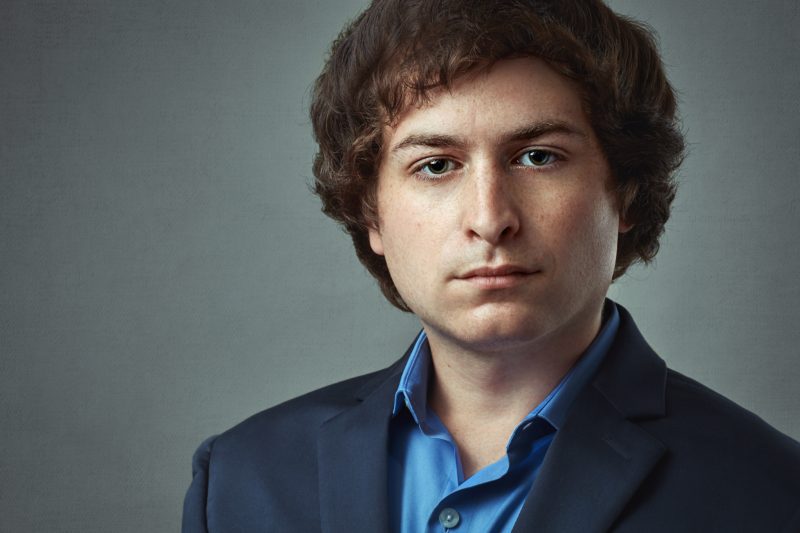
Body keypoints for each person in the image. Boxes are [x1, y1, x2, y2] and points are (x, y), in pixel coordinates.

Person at [182, 0, 800, 531]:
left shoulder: (772, 493)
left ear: (627, 192)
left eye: (537, 156)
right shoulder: (241, 479)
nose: (490, 217)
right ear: (371, 214)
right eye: (436, 165)